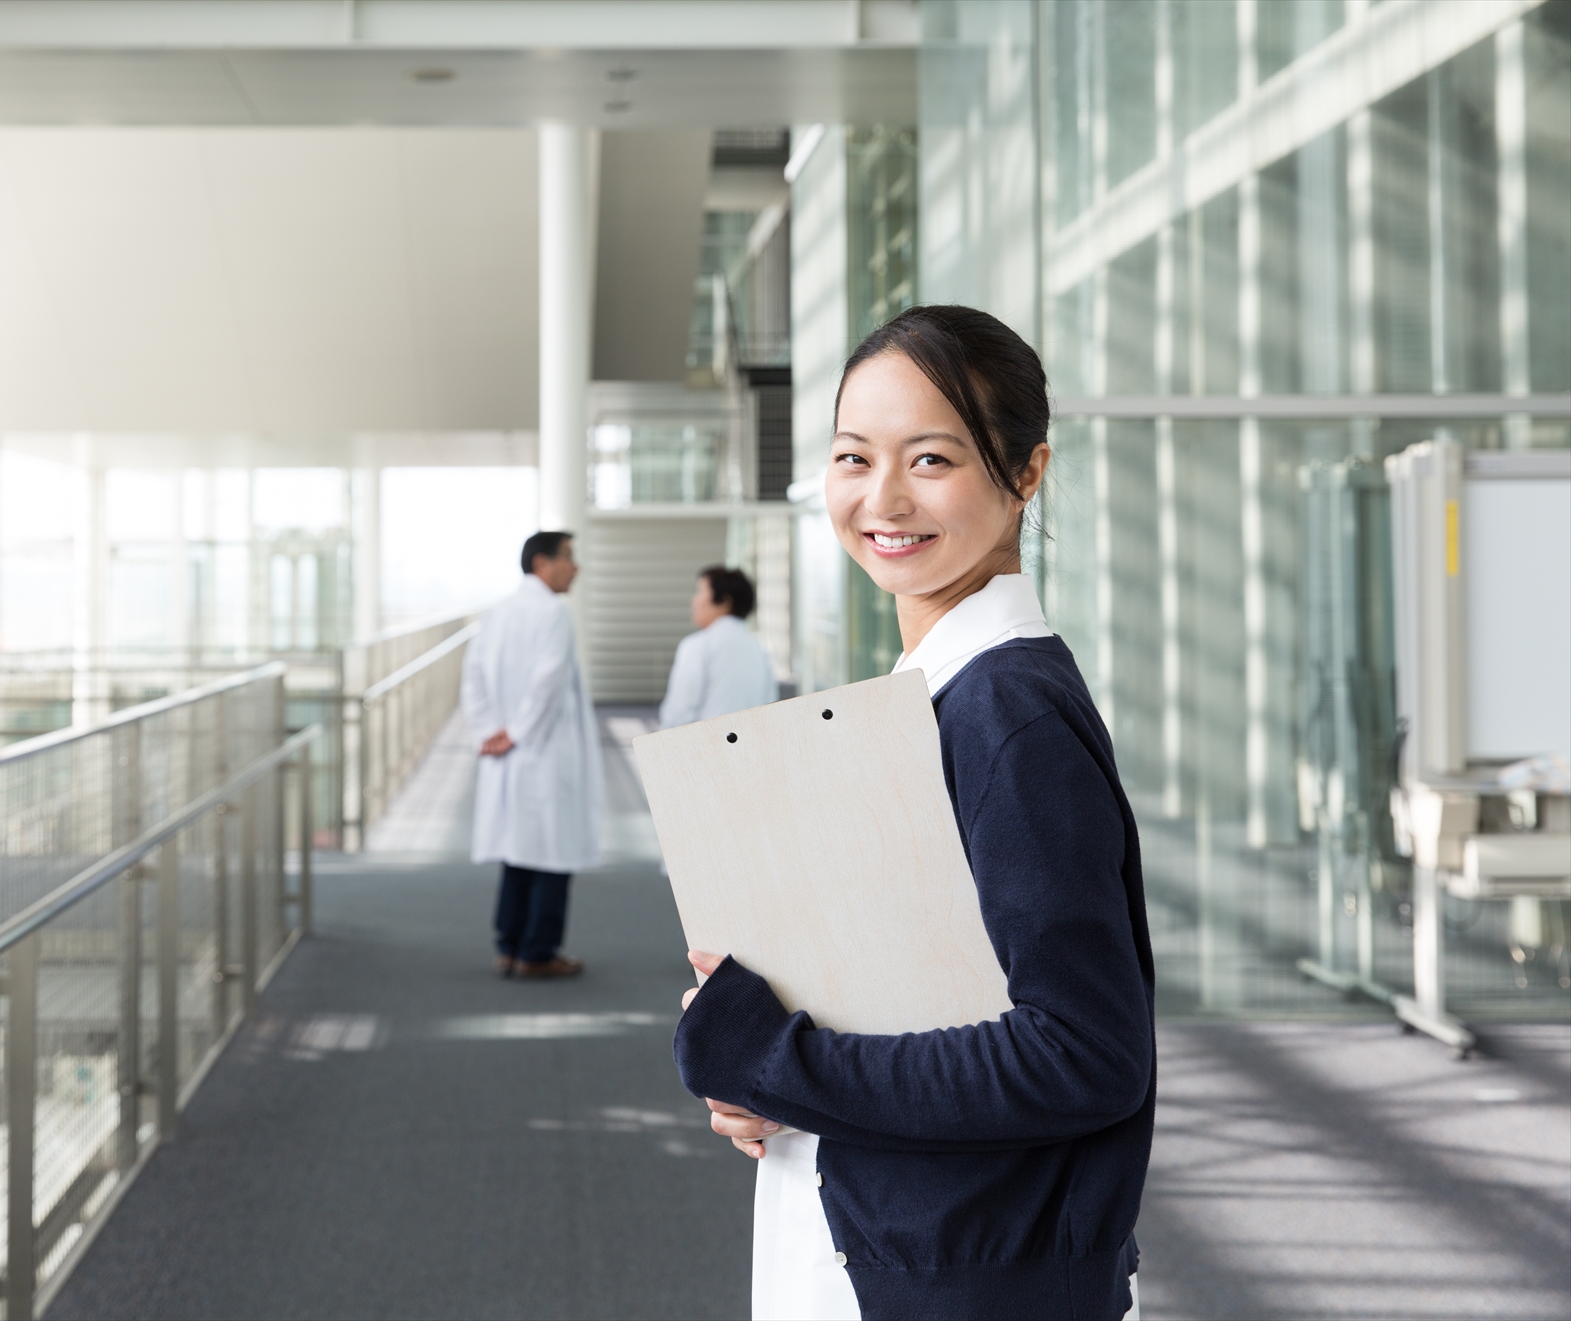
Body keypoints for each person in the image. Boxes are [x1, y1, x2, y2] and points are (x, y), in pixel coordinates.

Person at [673, 306, 1153, 1321]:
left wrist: (774, 1056)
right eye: (854, 457)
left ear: (1026, 473)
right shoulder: (928, 700)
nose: (882, 498)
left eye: (931, 458)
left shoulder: (1006, 714)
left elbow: (1086, 1055)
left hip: (969, 1281)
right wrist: (772, 1074)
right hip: (907, 1247)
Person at [460, 530, 604, 979]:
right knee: (550, 854)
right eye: (568, 558)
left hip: (510, 751)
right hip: (542, 749)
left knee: (517, 851)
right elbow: (548, 681)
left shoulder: (497, 612)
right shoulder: (553, 613)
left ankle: (508, 945)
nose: (575, 567)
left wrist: (490, 731)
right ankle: (538, 952)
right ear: (542, 564)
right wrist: (517, 733)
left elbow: (473, 675)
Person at [658, 566, 779, 730]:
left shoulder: (697, 646)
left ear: (724, 601)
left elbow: (678, 713)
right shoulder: (759, 649)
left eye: (700, 592)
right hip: (750, 749)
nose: (693, 601)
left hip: (702, 749)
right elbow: (770, 707)